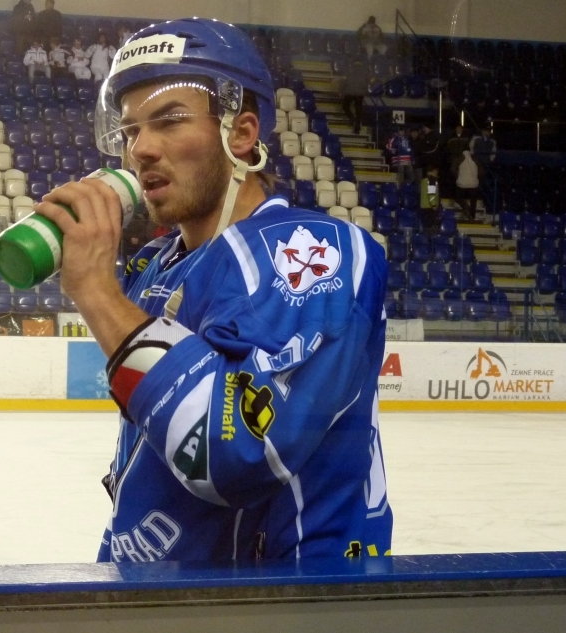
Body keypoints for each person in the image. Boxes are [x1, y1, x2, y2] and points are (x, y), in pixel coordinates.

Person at [33, 18, 391, 563]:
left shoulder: (314, 251)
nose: (140, 149)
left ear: (241, 134)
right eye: (129, 132)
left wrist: (98, 294)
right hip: (169, 588)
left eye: (169, 121)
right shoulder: (157, 265)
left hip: (281, 599)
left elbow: (239, 454)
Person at [341, 58, 368, 136]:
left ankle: (351, 117)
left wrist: (341, 91)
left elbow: (344, 81)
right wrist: (364, 91)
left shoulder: (349, 70)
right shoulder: (365, 72)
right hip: (359, 94)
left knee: (345, 106)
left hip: (349, 92)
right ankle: (357, 129)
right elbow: (367, 83)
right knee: (358, 112)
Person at [455, 149, 480, 220]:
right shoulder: (475, 159)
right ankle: (472, 216)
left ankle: (465, 206)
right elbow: (481, 171)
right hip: (473, 184)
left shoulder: (459, 158)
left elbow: (453, 169)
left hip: (462, 183)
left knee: (458, 197)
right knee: (473, 200)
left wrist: (458, 176)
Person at [420, 164, 441, 234]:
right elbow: (431, 193)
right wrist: (434, 205)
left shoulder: (424, 180)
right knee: (430, 228)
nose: (437, 172)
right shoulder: (431, 179)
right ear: (433, 170)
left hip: (424, 207)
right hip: (430, 208)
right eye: (436, 170)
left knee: (425, 228)